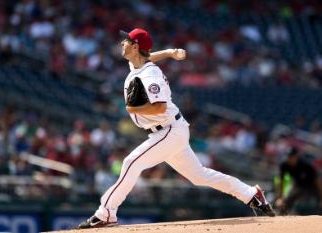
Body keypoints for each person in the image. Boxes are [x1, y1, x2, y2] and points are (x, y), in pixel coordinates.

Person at [77, 28, 275, 229]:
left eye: (126, 40)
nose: (122, 43)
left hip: (169, 130)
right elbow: (149, 56)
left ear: (135, 47)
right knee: (199, 176)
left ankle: (106, 213)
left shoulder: (150, 74)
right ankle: (251, 194)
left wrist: (133, 108)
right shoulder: (137, 64)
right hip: (168, 131)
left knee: (130, 163)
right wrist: (170, 52)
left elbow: (160, 107)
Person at [275, 147, 322, 214]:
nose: (289, 158)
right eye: (288, 156)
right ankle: (282, 216)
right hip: (299, 184)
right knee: (286, 201)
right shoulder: (284, 165)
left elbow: (317, 181)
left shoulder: (306, 165)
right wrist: (280, 198)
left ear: (296, 156)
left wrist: (321, 198)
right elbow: (281, 182)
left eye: (291, 156)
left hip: (312, 184)